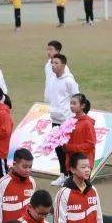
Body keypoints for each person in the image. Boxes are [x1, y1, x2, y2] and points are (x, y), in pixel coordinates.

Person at [44, 53, 78, 186]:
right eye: (52, 63)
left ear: (63, 65)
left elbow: (76, 97)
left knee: (68, 149)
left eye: (56, 63)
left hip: (67, 121)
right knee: (58, 149)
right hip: (55, 118)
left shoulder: (69, 80)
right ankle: (63, 174)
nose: (53, 65)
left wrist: (72, 116)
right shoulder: (52, 79)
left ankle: (71, 174)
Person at [0, 149, 34, 223]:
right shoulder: (2, 183)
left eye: (30, 167)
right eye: (24, 167)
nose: (28, 170)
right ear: (14, 164)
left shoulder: (32, 182)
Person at [65, 93, 97, 173]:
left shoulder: (87, 123)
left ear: (82, 106)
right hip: (72, 161)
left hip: (83, 163)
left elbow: (91, 144)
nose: (71, 106)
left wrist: (71, 147)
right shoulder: (70, 121)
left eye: (74, 103)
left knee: (83, 185)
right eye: (71, 103)